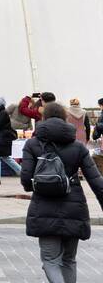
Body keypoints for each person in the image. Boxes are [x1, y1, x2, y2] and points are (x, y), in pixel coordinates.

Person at [21, 101, 103, 283]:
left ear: (44, 118)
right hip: (74, 207)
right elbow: (97, 182)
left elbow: (26, 181)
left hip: (43, 208)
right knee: (69, 260)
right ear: (65, 119)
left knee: (50, 260)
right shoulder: (78, 146)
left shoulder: (32, 144)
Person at [0, 96, 20, 186]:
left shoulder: (3, 113)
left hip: (2, 139)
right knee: (3, 157)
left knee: (0, 157)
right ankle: (22, 173)